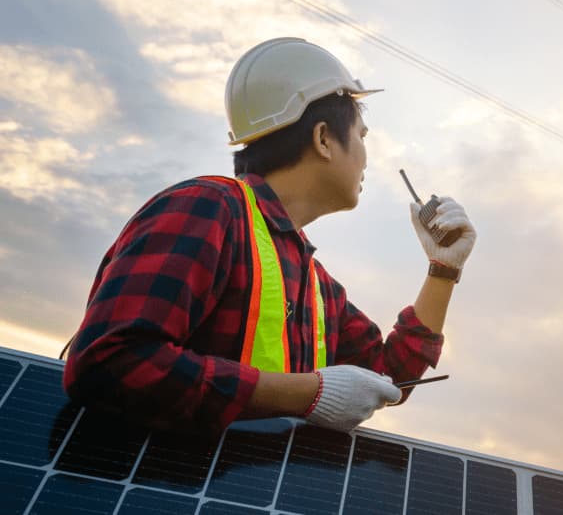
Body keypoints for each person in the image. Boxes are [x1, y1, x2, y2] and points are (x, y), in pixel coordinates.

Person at [63, 37, 476, 435]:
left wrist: (442, 270)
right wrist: (306, 394)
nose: (366, 155)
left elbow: (387, 378)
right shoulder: (208, 208)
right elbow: (110, 362)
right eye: (362, 138)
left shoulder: (314, 284)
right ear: (323, 139)